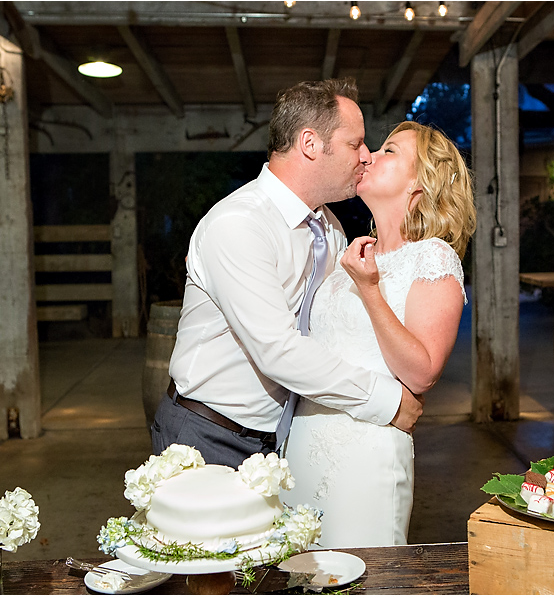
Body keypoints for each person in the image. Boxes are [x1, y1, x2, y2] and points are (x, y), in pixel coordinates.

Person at [152, 78, 423, 468]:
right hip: (207, 435)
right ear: (310, 144)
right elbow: (277, 350)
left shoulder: (329, 229)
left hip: (282, 439)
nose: (366, 155)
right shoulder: (239, 223)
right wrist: (387, 401)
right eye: (355, 143)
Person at [283, 121, 476, 548]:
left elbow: (422, 373)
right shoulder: (349, 252)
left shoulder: (433, 257)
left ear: (419, 186)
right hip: (303, 447)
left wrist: (370, 290)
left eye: (390, 151)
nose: (369, 155)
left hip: (365, 455)